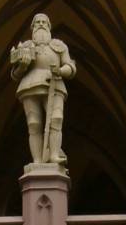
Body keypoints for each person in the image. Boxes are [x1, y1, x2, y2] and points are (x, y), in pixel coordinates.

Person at [9, 13, 76, 166]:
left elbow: (70, 66)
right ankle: (37, 160)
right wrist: (23, 66)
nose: (40, 24)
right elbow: (15, 74)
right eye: (37, 22)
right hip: (30, 85)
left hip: (55, 83)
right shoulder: (26, 47)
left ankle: (54, 155)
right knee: (34, 123)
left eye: (44, 22)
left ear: (49, 26)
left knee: (56, 118)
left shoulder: (59, 46)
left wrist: (60, 71)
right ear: (32, 27)